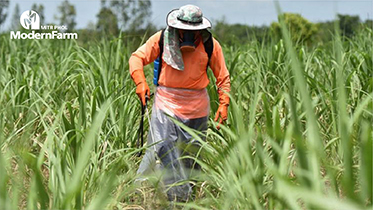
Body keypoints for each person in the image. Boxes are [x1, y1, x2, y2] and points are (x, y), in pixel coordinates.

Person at [129, 4, 230, 202]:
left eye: (194, 32)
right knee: (165, 147)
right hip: (167, 103)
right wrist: (140, 82)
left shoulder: (210, 44)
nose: (189, 36)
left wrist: (224, 103)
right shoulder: (162, 39)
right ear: (177, 27)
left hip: (197, 106)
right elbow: (136, 58)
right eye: (185, 31)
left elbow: (222, 76)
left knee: (191, 154)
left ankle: (190, 195)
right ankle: (175, 195)